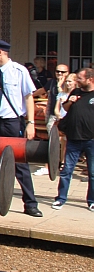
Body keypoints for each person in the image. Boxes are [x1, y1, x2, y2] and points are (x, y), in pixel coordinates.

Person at [0, 39, 42, 217]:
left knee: (19, 163)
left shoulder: (19, 71)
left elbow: (28, 97)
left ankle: (30, 203)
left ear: (0, 52)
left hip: (11, 121)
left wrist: (30, 123)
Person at [51, 67, 94, 211]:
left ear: (90, 79)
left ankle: (92, 200)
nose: (77, 81)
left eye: (80, 79)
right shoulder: (76, 92)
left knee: (93, 173)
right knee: (67, 170)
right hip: (74, 138)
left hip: (91, 140)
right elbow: (66, 108)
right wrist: (71, 101)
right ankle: (61, 198)